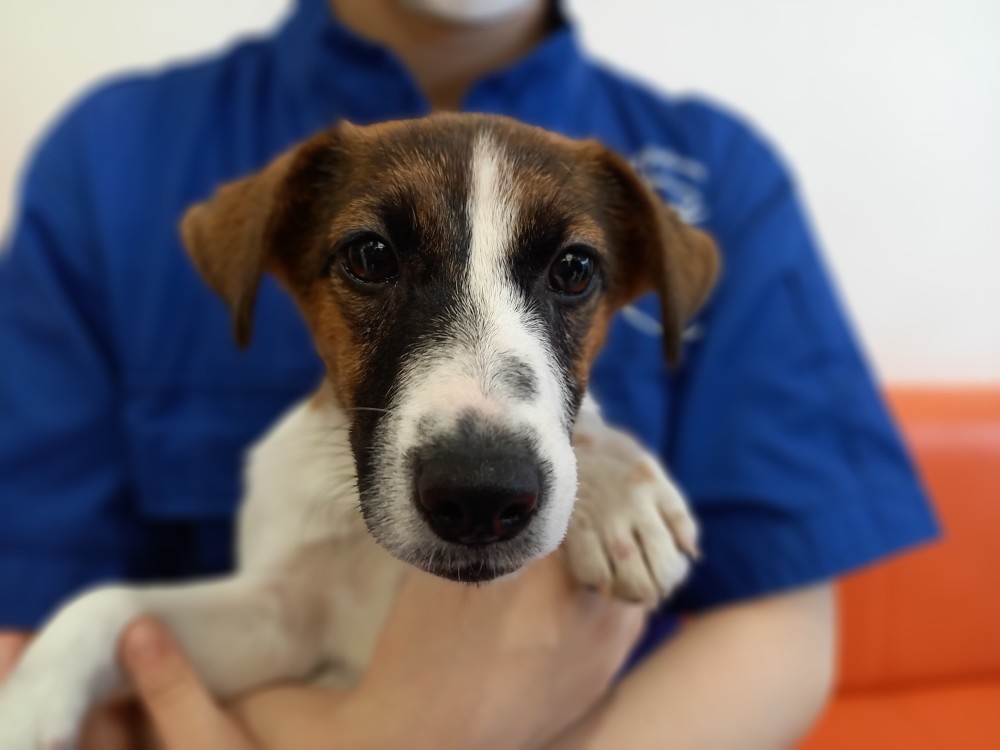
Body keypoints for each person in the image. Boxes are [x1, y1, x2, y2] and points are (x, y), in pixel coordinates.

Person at [0, 0, 937, 746]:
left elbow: (782, 637)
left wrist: (601, 462)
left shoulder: (720, 168)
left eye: (571, 273)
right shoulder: (111, 155)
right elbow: (44, 636)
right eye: (372, 260)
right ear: (275, 267)